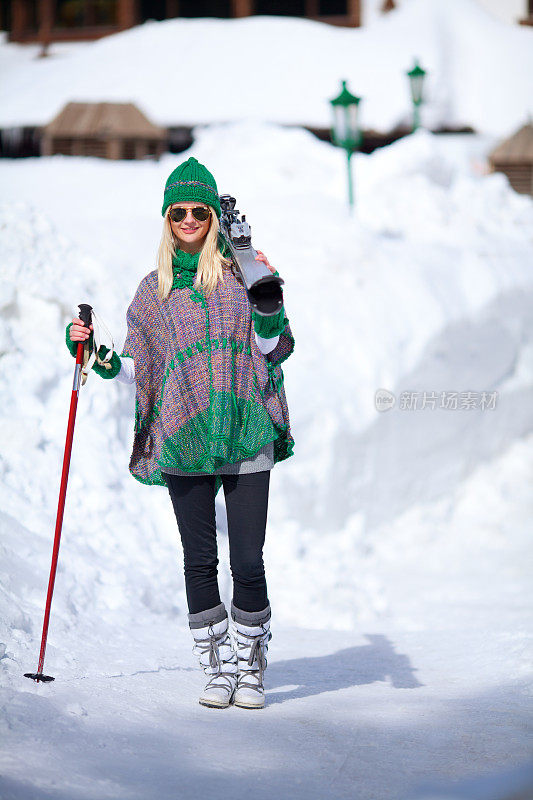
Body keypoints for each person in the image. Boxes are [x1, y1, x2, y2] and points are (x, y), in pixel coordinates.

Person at [66, 157, 295, 710]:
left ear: (214, 215)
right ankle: (216, 667)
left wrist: (268, 312)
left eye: (199, 210)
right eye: (178, 212)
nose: (188, 220)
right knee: (198, 561)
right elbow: (132, 363)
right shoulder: (153, 293)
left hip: (245, 431)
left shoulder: (246, 274)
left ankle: (250, 664)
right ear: (166, 219)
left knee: (247, 559)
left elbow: (277, 348)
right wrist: (90, 350)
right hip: (184, 438)